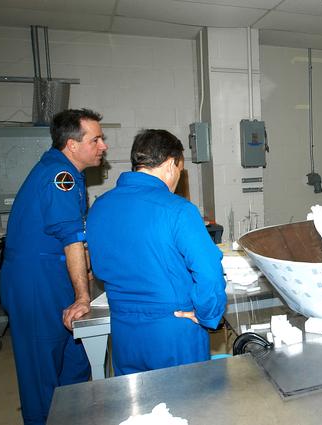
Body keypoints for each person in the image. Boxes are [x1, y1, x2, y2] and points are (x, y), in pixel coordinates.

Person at [86, 129, 227, 376]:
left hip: (124, 332)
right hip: (173, 330)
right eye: (180, 170)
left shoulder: (99, 207)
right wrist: (207, 314)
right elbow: (209, 271)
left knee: (138, 409)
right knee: (188, 407)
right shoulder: (179, 210)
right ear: (171, 164)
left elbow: (98, 267)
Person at [0, 108, 107, 425]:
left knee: (76, 359)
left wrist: (86, 276)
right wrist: (83, 296)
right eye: (96, 139)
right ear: (73, 145)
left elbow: (78, 237)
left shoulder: (68, 172)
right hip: (37, 284)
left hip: (56, 278)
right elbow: (71, 238)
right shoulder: (60, 176)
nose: (103, 146)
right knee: (42, 370)